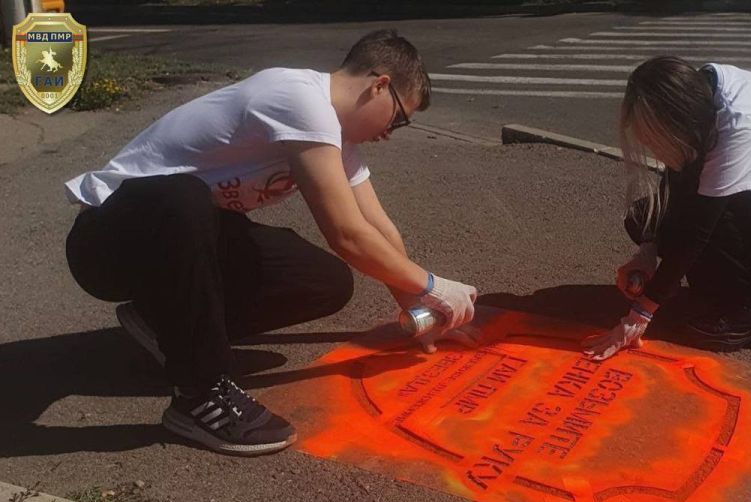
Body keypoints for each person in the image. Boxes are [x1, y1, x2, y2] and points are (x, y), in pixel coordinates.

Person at [63, 29, 478, 456]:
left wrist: (416, 304)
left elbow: (378, 227)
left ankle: (160, 321)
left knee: (324, 280)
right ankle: (199, 394)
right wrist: (433, 285)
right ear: (379, 85)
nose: (391, 132)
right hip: (107, 241)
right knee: (182, 195)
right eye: (398, 119)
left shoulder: (336, 136)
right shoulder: (298, 97)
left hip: (179, 242)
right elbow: (347, 234)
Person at [583, 56, 751, 360]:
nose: (653, 149)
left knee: (703, 228)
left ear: (678, 125)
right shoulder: (699, 98)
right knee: (643, 219)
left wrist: (638, 317)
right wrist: (647, 253)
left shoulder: (742, 125)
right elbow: (677, 183)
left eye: (656, 140)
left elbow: (698, 228)